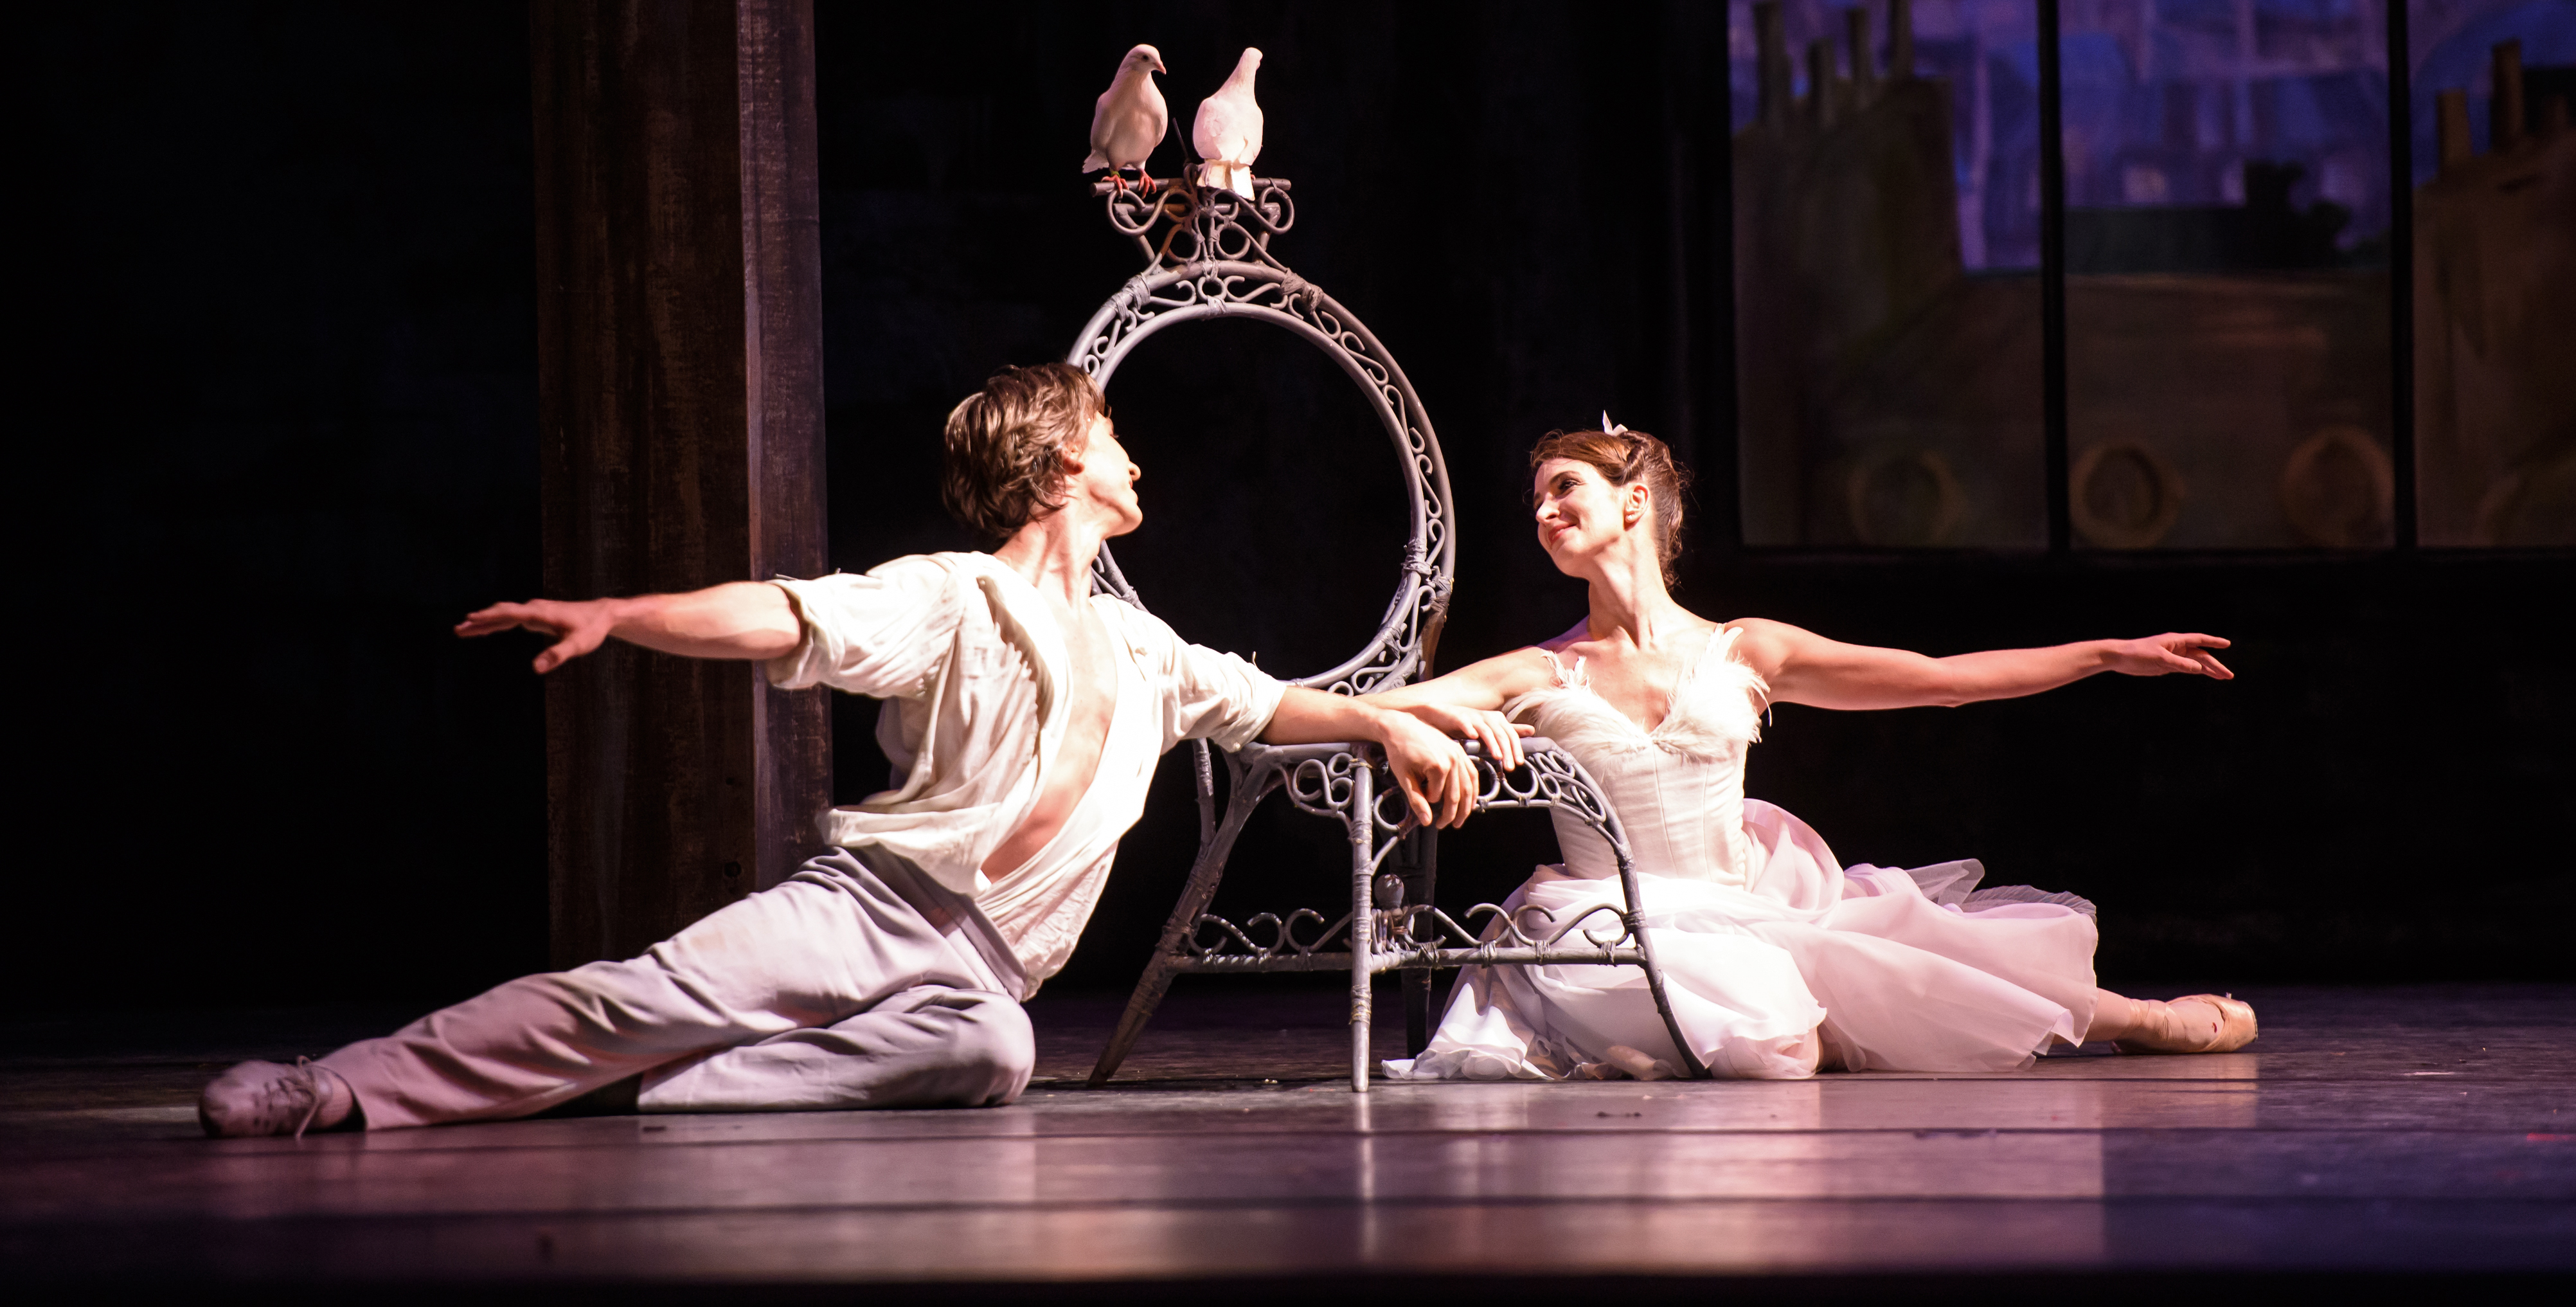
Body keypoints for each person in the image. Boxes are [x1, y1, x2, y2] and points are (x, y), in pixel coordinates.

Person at [199, 363, 1478, 1137]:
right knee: (633, 998)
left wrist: (1385, 718)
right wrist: (622, 615)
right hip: (872, 909)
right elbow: (785, 614)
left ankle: (642, 1092)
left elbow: (1263, 703)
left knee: (996, 1055)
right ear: (1059, 460)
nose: (1134, 453)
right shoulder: (956, 595)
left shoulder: (1144, 649)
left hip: (983, 975)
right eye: (1111, 433)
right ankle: (338, 1089)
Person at [1372, 423, 2257, 1083]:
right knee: (1776, 1030)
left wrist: (2104, 653)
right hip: (1603, 919)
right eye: (1536, 501)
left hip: (1741, 898)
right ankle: (1759, 1036)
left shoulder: (1745, 648)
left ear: (1633, 501)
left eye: (1565, 487)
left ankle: (2141, 1019)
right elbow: (1370, 713)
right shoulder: (1536, 670)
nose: (1543, 512)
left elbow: (1940, 680)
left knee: (1909, 959)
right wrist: (1418, 724)